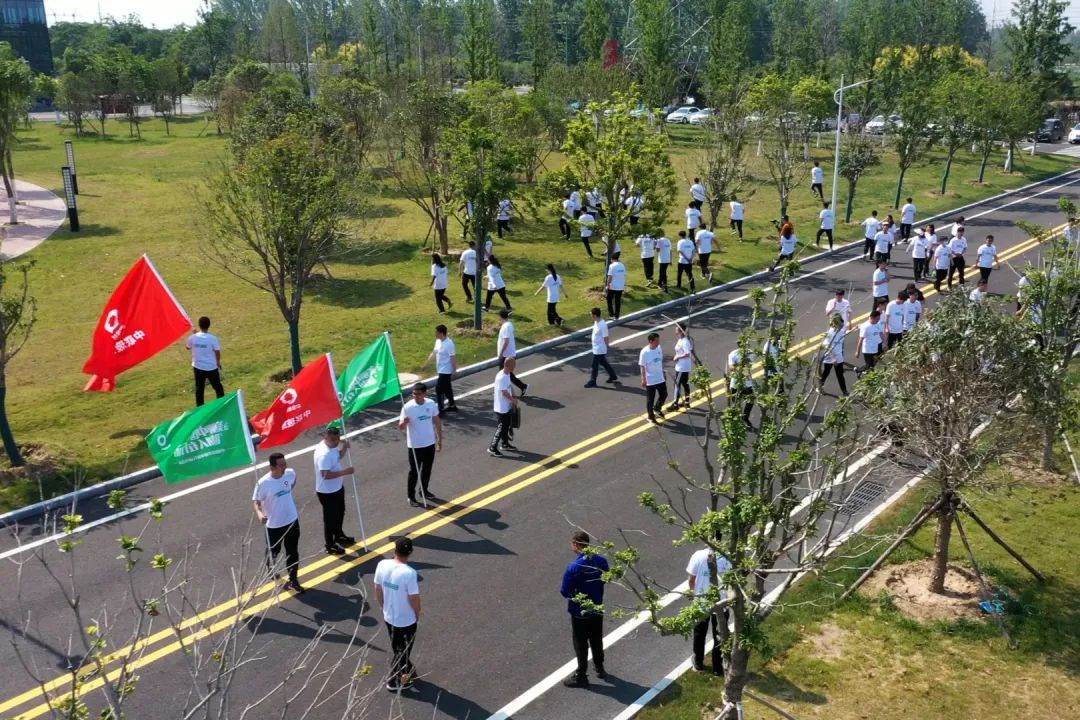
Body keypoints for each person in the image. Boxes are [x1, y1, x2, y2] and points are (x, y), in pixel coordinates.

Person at [561, 530, 609, 688]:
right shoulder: (601, 561)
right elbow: (605, 578)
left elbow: (565, 591)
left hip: (579, 613)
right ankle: (600, 667)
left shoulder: (574, 568)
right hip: (597, 608)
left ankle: (581, 675)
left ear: (575, 544)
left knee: (580, 643)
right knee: (596, 639)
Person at [374, 537, 421, 692]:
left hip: (389, 616)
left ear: (395, 550)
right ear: (410, 552)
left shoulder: (382, 564)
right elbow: (413, 598)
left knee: (398, 647)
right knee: (403, 652)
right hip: (406, 620)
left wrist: (382, 606)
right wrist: (417, 613)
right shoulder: (409, 573)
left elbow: (378, 588)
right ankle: (394, 680)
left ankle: (408, 669)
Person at [253, 453, 304, 593]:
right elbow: (256, 502)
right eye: (281, 465)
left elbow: (293, 480)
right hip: (274, 525)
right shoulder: (263, 483)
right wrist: (259, 514)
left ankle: (293, 579)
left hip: (292, 521)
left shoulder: (289, 473)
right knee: (273, 552)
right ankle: (271, 570)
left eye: (285, 463)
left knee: (292, 552)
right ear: (272, 467)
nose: (284, 467)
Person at [686, 533, 731, 675]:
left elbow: (691, 580)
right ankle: (718, 667)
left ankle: (698, 662)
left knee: (699, 633)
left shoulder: (698, 556)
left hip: (701, 602)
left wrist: (694, 594)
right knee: (719, 634)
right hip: (721, 602)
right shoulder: (726, 557)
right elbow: (731, 581)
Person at [313, 426, 356, 556]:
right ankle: (330, 545)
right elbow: (325, 475)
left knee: (340, 512)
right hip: (327, 492)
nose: (336, 442)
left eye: (338, 439)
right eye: (333, 439)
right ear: (325, 437)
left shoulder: (332, 446)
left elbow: (337, 457)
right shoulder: (324, 454)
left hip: (337, 487)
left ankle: (338, 535)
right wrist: (345, 472)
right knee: (330, 518)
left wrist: (344, 447)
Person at [399, 383, 443, 507]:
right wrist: (404, 423)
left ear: (424, 394)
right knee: (414, 472)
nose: (415, 396)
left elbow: (437, 421)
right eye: (414, 394)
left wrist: (440, 440)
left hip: (429, 443)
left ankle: (423, 490)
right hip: (415, 446)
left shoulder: (431, 404)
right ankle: (411, 496)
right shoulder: (407, 407)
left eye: (418, 394)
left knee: (427, 470)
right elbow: (401, 427)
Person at [186, 316, 224, 407]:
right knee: (218, 387)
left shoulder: (192, 338)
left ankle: (200, 408)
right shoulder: (213, 338)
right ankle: (222, 404)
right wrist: (218, 362)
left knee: (199, 389)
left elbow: (187, 347)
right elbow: (217, 352)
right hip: (211, 367)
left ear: (199, 325)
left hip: (198, 367)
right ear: (209, 325)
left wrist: (195, 335)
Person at [420, 325, 458, 414]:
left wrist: (454, 370)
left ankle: (440, 410)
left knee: (439, 389)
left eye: (436, 332)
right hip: (440, 369)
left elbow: (452, 358)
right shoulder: (438, 341)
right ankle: (452, 406)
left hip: (446, 371)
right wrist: (426, 364)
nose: (435, 334)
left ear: (441, 333)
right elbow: (434, 353)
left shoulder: (449, 344)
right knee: (447, 388)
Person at [488, 357, 519, 456]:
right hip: (501, 408)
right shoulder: (501, 377)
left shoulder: (507, 374)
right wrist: (513, 400)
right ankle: (492, 447)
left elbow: (509, 386)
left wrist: (514, 395)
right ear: (509, 365)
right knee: (501, 427)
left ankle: (505, 444)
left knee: (506, 426)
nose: (515, 366)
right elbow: (504, 392)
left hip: (506, 406)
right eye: (513, 365)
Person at [496, 309, 528, 397]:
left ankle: (510, 390)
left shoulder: (506, 327)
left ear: (500, 316)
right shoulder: (508, 324)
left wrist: (501, 353)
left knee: (504, 374)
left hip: (506, 355)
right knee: (506, 374)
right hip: (508, 354)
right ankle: (521, 387)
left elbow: (506, 341)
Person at [584, 308, 618, 388]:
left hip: (600, 348)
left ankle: (593, 381)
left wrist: (607, 346)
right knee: (603, 362)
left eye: (591, 315)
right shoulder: (596, 322)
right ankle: (613, 375)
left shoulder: (602, 325)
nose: (591, 316)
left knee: (594, 365)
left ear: (595, 315)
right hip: (596, 347)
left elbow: (605, 337)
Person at [639, 332, 668, 423]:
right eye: (656, 341)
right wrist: (643, 378)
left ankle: (657, 408)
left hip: (660, 377)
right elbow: (642, 366)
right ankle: (650, 416)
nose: (658, 342)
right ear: (650, 341)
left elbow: (661, 361)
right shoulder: (645, 352)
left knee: (664, 394)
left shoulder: (659, 348)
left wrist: (663, 372)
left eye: (658, 340)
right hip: (650, 379)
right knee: (650, 399)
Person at [820, 315, 848, 396]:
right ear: (836, 324)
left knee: (840, 375)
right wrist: (833, 358)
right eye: (840, 325)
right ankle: (820, 387)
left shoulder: (841, 332)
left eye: (842, 325)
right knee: (826, 372)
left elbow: (841, 344)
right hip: (830, 356)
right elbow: (827, 346)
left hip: (839, 356)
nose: (841, 327)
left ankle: (845, 391)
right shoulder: (830, 333)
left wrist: (841, 355)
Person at [726, 347, 754, 428]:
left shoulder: (749, 352)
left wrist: (736, 365)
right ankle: (736, 421)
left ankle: (745, 418)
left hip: (747, 382)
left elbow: (748, 366)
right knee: (736, 404)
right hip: (735, 383)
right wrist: (741, 366)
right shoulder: (733, 354)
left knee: (750, 400)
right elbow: (731, 368)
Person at [668, 324, 693, 411]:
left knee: (677, 384)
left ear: (681, 331)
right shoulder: (681, 340)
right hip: (681, 365)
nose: (675, 332)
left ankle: (675, 403)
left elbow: (687, 353)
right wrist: (676, 356)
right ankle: (687, 401)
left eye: (677, 330)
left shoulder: (685, 341)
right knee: (685, 383)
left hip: (682, 367)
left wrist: (678, 357)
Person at [606, 252, 627, 320]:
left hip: (613, 286)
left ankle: (611, 315)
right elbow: (624, 275)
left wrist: (607, 285)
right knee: (617, 301)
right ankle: (617, 316)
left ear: (612, 259)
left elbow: (609, 277)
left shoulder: (611, 266)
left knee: (609, 299)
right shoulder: (622, 265)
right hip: (620, 286)